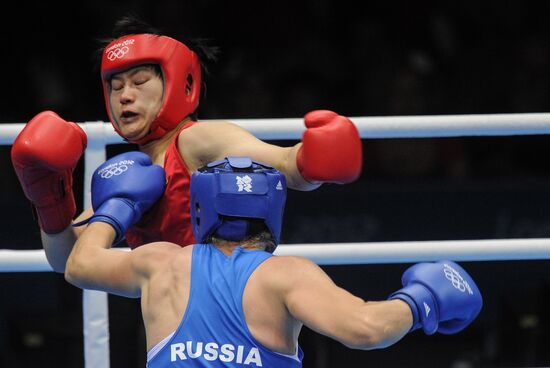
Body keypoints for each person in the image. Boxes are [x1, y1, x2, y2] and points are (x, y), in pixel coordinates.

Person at [10, 14, 363, 273]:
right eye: (116, 87)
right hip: (167, 320)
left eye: (140, 81)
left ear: (181, 83)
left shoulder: (196, 140)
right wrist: (49, 201)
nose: (125, 96)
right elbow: (66, 260)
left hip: (227, 314)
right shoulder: (128, 172)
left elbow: (284, 165)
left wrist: (312, 158)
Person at [64, 152, 483, 367]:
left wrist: (118, 207)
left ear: (199, 210)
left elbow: (80, 265)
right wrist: (420, 302)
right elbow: (367, 329)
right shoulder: (286, 275)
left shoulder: (161, 263)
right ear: (274, 212)